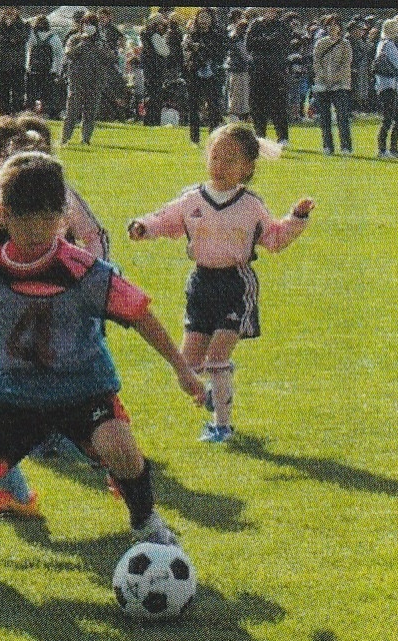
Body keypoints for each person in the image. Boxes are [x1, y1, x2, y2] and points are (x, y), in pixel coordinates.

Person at [0, 151, 206, 580]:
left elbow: (138, 313)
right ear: (2, 215)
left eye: (46, 220)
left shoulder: (84, 271)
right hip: (13, 395)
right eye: (24, 220)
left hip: (83, 391)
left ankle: (145, 521)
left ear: (62, 217)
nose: (35, 231)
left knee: (121, 447)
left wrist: (181, 367)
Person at [128, 124, 314, 442]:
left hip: (235, 285)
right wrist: (143, 226)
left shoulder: (250, 205)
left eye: (230, 160)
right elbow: (165, 219)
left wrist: (296, 219)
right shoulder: (192, 199)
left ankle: (222, 425)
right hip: (200, 284)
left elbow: (274, 239)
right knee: (188, 366)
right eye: (215, 157)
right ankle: (218, 387)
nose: (220, 166)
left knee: (217, 356)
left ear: (247, 168)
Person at [61, 12, 110, 146]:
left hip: (95, 80)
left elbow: (109, 58)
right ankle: (65, 138)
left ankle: (86, 138)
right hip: (77, 79)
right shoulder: (74, 39)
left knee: (90, 112)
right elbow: (69, 54)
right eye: (86, 24)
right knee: (72, 111)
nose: (89, 27)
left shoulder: (101, 42)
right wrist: (84, 42)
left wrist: (97, 45)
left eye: (92, 24)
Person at [245, 7, 293, 146]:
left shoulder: (283, 25)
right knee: (257, 105)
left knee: (278, 105)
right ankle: (260, 135)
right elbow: (249, 44)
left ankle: (282, 137)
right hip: (257, 71)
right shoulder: (255, 24)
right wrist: (268, 41)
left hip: (276, 71)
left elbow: (281, 43)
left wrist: (261, 42)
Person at [182, 8, 226, 145]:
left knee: (213, 106)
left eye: (207, 17)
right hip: (194, 73)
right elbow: (186, 50)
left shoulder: (217, 34)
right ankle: (194, 139)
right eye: (201, 17)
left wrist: (201, 48)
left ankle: (213, 137)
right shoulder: (192, 34)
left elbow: (219, 52)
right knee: (193, 107)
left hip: (212, 74)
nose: (204, 20)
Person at [311, 14, 353, 155]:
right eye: (329, 25)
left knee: (342, 116)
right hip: (322, 84)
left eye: (335, 25)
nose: (332, 28)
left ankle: (345, 146)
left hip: (340, 85)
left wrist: (335, 78)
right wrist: (323, 76)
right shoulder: (321, 43)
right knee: (324, 117)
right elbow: (316, 62)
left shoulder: (345, 44)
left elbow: (346, 64)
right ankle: (327, 145)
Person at [373, 18, 398, 159]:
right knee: (394, 118)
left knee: (391, 117)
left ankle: (387, 149)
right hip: (390, 85)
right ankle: (386, 149)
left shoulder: (381, 44)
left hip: (382, 85)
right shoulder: (390, 45)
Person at [0, 6, 29, 116]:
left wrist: (9, 29)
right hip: (0, 66)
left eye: (12, 8)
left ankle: (17, 123)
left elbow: (20, 39)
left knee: (18, 99)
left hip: (17, 66)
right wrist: (7, 36)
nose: (8, 11)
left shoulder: (25, 24)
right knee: (1, 98)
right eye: (6, 8)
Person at [24, 14, 62, 117]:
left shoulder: (32, 36)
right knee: (47, 95)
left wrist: (27, 67)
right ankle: (46, 113)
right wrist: (58, 72)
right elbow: (59, 56)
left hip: (33, 70)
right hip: (49, 71)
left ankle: (30, 112)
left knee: (31, 95)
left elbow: (27, 52)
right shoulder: (54, 37)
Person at [224, 19, 251, 122]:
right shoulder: (236, 39)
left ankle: (241, 115)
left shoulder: (236, 38)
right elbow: (244, 55)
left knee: (241, 93)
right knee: (236, 93)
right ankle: (234, 115)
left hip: (239, 68)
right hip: (237, 68)